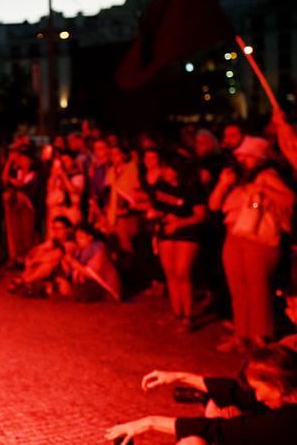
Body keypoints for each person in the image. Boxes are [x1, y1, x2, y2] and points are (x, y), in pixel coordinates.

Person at [106, 344, 297, 444]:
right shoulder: (288, 392)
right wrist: (179, 376)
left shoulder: (286, 423)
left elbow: (218, 429)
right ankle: (205, 399)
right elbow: (237, 391)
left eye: (257, 389)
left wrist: (149, 423)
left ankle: (205, 401)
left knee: (193, 442)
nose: (256, 396)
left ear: (278, 386)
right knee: (219, 406)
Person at [209, 136, 295, 352]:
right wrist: (222, 184)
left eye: (246, 156)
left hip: (259, 240)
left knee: (259, 291)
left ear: (258, 158)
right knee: (239, 291)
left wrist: (262, 190)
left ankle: (261, 340)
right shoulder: (236, 178)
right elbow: (213, 205)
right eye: (239, 155)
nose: (241, 159)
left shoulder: (267, 176)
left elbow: (291, 200)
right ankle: (241, 336)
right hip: (234, 237)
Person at [144, 153, 209, 333]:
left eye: (167, 168)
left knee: (182, 273)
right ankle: (176, 312)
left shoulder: (191, 187)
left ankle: (188, 317)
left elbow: (201, 215)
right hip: (166, 231)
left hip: (187, 233)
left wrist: (179, 222)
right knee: (170, 273)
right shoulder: (162, 185)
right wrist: (157, 214)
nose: (164, 171)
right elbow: (158, 205)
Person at [58, 225, 122, 302]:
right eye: (77, 238)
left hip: (106, 289)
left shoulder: (98, 250)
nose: (78, 240)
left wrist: (72, 261)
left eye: (81, 238)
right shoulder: (81, 252)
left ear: (90, 237)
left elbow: (90, 273)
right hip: (93, 285)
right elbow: (73, 272)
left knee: (80, 293)